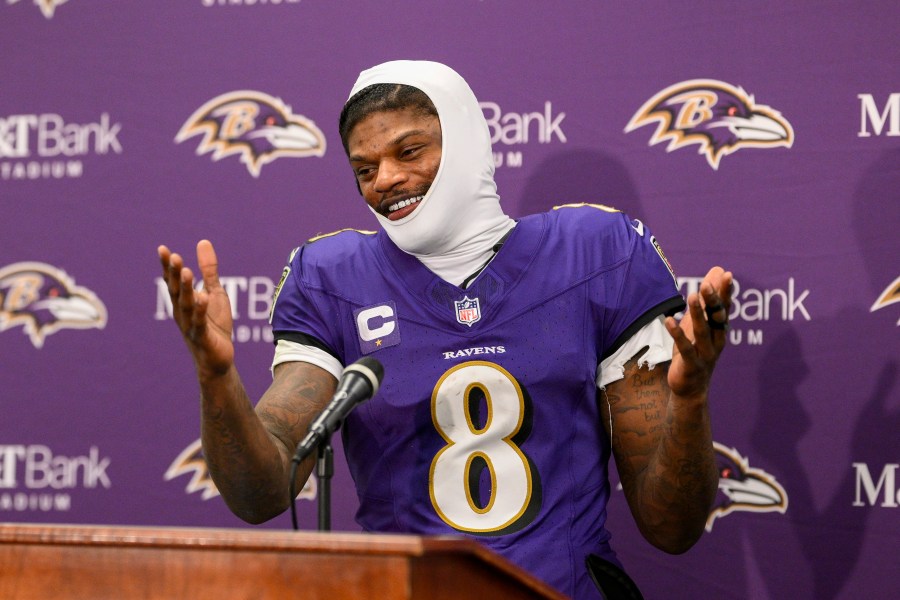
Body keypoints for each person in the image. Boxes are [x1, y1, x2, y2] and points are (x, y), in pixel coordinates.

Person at [158, 60, 733, 599]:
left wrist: (688, 399)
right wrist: (216, 379)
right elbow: (263, 492)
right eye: (364, 168)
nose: (385, 178)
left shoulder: (594, 253)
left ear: (463, 143)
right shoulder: (331, 277)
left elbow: (671, 526)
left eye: (409, 150)